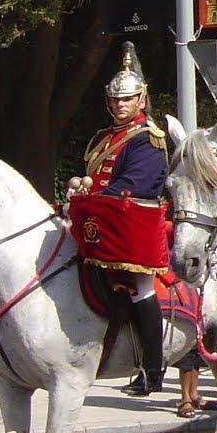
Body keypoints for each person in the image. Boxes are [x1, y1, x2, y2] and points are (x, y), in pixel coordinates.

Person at [66, 42, 170, 396]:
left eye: (127, 99)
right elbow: (94, 176)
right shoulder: (102, 137)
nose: (120, 105)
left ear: (141, 99)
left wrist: (94, 196)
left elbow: (136, 184)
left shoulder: (149, 139)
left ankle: (152, 368)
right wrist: (78, 188)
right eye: (115, 100)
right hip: (99, 219)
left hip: (130, 226)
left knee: (141, 287)